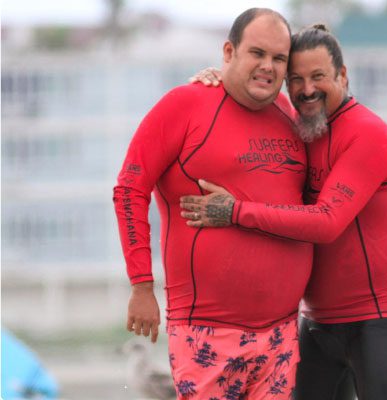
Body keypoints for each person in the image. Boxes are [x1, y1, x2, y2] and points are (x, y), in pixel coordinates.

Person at [183, 25, 387, 400]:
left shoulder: (368, 134)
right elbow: (248, 90)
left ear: (343, 75)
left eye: (318, 77)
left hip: (376, 320)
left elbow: (326, 223)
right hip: (316, 323)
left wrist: (235, 211)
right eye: (296, 80)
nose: (307, 89)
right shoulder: (303, 125)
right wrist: (214, 76)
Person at [112, 8, 312, 399]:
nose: (268, 67)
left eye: (279, 58)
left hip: (283, 332)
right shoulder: (185, 104)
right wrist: (141, 285)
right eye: (257, 53)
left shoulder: (292, 116)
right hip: (206, 331)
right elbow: (129, 188)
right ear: (229, 51)